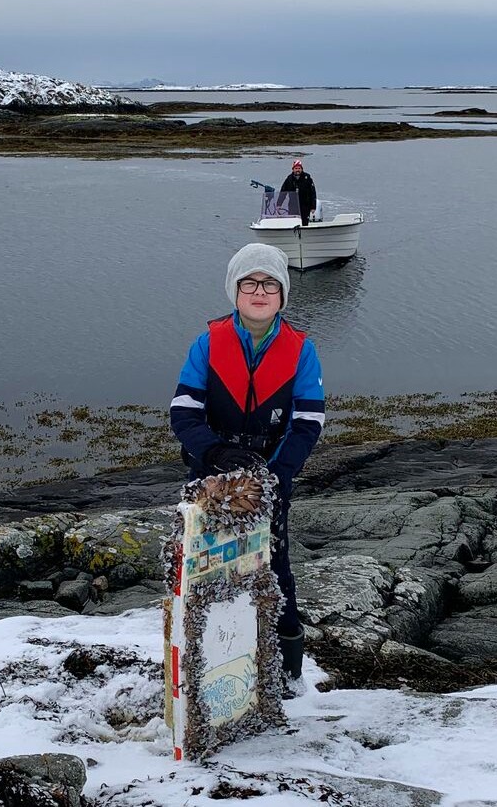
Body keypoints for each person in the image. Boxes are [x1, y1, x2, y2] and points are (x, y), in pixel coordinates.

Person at [169, 242, 325, 682]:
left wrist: (277, 474)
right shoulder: (208, 344)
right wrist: (214, 453)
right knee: (205, 570)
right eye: (250, 283)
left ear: (282, 295)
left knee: (273, 568)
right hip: (210, 479)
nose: (260, 291)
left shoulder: (301, 350)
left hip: (271, 477)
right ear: (235, 292)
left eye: (270, 284)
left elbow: (308, 421)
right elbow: (183, 410)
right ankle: (206, 670)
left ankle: (286, 672)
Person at [278, 159, 317, 225]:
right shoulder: (289, 179)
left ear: (302, 169)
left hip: (305, 206)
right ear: (293, 169)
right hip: (293, 206)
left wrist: (313, 207)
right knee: (293, 223)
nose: (297, 170)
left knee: (304, 223)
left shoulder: (307, 178)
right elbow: (283, 192)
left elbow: (313, 193)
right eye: (296, 168)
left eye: (299, 168)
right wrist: (279, 204)